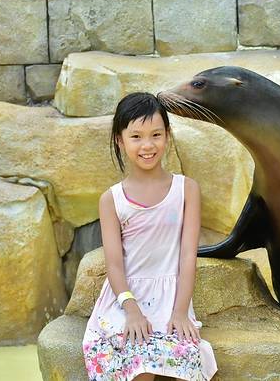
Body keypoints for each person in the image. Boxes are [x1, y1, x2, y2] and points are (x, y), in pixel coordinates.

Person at [82, 92, 218, 381]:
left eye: (156, 134)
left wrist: (180, 311)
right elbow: (114, 265)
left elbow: (187, 255)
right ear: (120, 140)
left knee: (186, 361)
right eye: (136, 137)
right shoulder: (112, 200)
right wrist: (131, 310)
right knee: (139, 365)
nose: (147, 145)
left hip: (171, 298)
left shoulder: (186, 190)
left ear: (167, 134)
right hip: (126, 300)